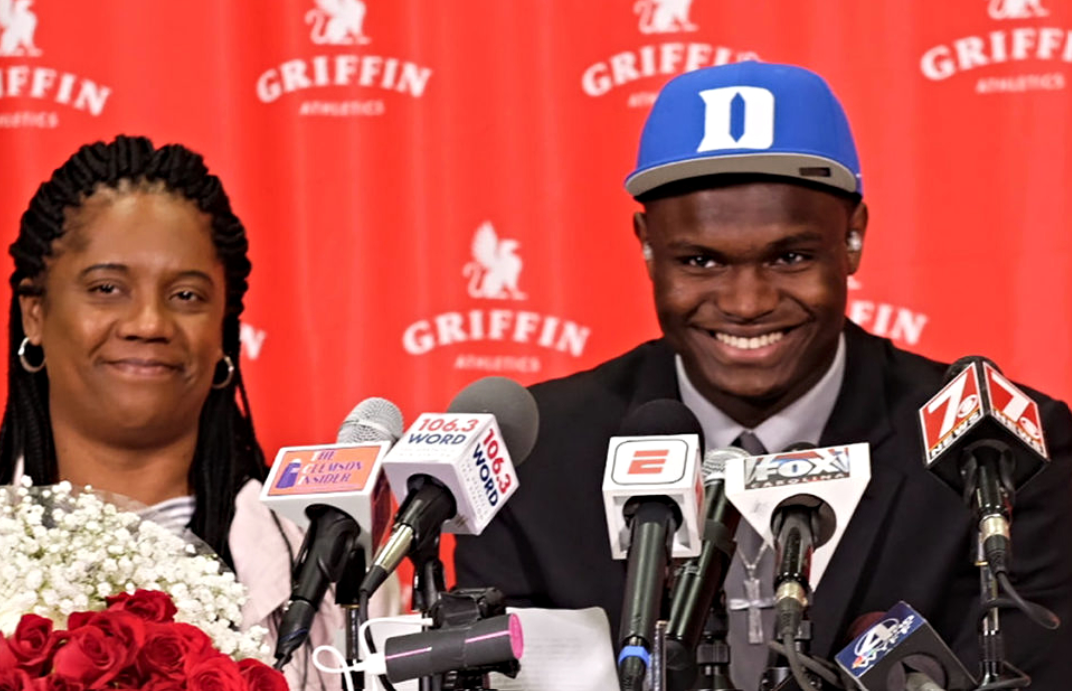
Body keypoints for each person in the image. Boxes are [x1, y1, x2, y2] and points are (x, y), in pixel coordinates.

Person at [454, 62, 1072, 689]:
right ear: (645, 243)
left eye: (791, 256)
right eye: (700, 261)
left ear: (853, 237)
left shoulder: (1003, 448)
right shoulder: (531, 459)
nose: (746, 303)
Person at [0, 135, 371, 691]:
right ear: (35, 314)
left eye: (187, 296)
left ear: (223, 330)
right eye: (107, 288)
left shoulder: (325, 560)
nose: (149, 322)